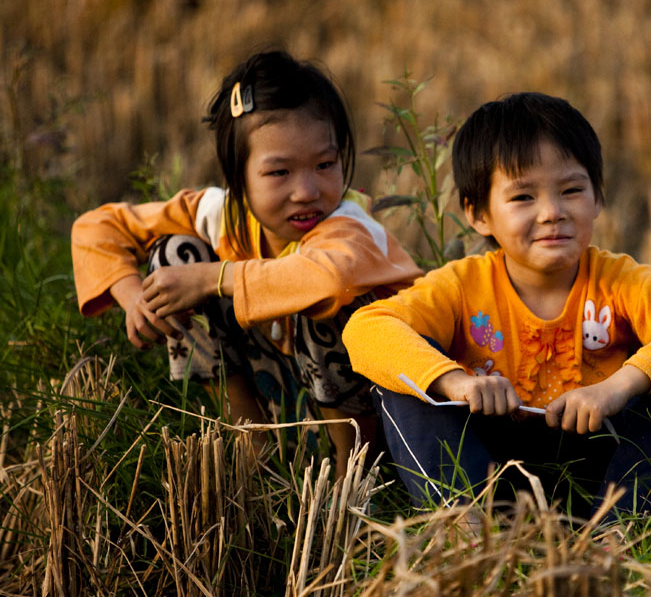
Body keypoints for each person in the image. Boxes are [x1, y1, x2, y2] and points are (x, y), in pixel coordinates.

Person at [343, 91, 651, 515]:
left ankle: (620, 530)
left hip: (602, 469)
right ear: (478, 214)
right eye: (523, 197)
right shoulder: (462, 285)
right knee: (406, 381)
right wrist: (456, 382)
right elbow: (366, 329)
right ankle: (466, 528)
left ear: (597, 198)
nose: (552, 212)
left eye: (571, 190)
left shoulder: (618, 281)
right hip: (489, 470)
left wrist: (615, 388)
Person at [71, 50, 422, 474]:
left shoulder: (349, 227)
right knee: (174, 254)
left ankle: (358, 471)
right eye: (280, 173)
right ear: (237, 176)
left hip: (383, 412)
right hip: (292, 396)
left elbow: (327, 279)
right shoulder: (221, 214)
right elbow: (96, 228)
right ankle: (250, 441)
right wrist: (132, 296)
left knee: (320, 297)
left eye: (325, 164)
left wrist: (213, 277)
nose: (307, 190)